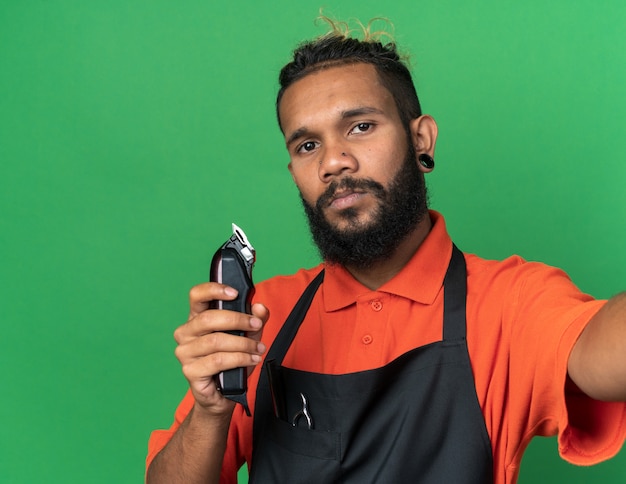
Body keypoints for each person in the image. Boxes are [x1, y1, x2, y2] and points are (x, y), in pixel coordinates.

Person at [146, 17, 626, 484]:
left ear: (422, 139)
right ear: (294, 172)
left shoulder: (509, 304)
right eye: (308, 144)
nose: (334, 161)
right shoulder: (262, 317)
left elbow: (606, 354)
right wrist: (210, 412)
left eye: (360, 127)